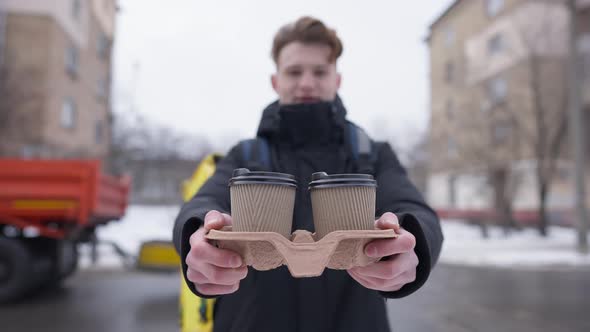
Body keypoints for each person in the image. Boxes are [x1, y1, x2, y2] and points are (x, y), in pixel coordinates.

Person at [173, 16, 443, 332]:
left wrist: (413, 247)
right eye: (294, 71)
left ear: (337, 80)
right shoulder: (245, 156)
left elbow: (416, 211)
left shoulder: (372, 155)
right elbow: (202, 203)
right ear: (275, 81)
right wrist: (197, 236)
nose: (306, 83)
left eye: (319, 72)